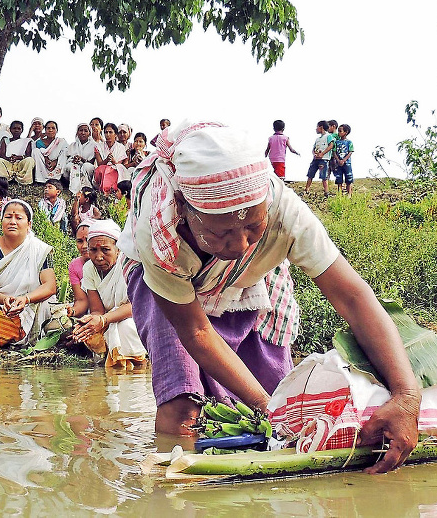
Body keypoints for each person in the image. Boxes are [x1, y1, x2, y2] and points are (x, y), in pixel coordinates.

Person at [119, 120, 419, 474]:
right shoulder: (158, 236)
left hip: (251, 282)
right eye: (222, 232)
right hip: (173, 292)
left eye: (252, 227)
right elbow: (197, 334)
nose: (241, 245)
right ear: (185, 209)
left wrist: (406, 396)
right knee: (185, 406)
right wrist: (271, 411)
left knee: (276, 392)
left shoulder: (286, 213)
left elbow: (353, 297)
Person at [0, 200, 58, 347]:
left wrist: (25, 299)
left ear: (29, 224)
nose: (12, 221)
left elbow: (50, 286)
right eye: (8, 217)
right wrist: (6, 300)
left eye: (19, 218)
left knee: (49, 304)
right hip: (2, 309)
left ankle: (11, 334)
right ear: (1, 220)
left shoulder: (40, 249)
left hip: (30, 311)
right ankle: (8, 333)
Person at [73, 219, 147, 369]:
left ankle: (140, 365)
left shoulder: (129, 265)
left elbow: (137, 306)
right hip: (108, 319)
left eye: (105, 250)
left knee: (126, 327)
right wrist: (89, 322)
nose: (99, 257)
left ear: (118, 249)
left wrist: (103, 320)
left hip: (135, 318)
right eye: (93, 250)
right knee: (89, 331)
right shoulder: (89, 269)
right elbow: (97, 310)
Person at [0, 120, 35, 185]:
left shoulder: (26, 141)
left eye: (19, 128)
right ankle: (4, 179)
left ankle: (24, 180)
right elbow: (2, 155)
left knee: (30, 160)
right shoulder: (5, 140)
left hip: (20, 164)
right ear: (10, 129)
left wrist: (18, 157)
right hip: (8, 164)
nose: (16, 130)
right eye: (14, 128)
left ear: (22, 130)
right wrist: (10, 158)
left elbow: (28, 155)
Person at [93, 123, 128, 195]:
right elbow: (99, 163)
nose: (108, 135)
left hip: (115, 169)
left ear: (115, 134)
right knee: (103, 169)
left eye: (110, 132)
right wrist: (106, 160)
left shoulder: (120, 147)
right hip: (102, 168)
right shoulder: (98, 146)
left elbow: (120, 164)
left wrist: (113, 161)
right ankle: (104, 191)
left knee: (112, 170)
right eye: (106, 132)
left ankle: (111, 191)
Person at [65, 123, 98, 194]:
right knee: (70, 167)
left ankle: (87, 187)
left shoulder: (94, 145)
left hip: (87, 168)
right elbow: (68, 158)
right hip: (75, 166)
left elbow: (94, 161)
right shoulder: (72, 145)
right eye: (80, 130)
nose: (83, 133)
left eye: (85, 131)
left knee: (86, 166)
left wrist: (82, 160)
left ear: (89, 133)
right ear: (77, 132)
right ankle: (74, 189)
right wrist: (73, 159)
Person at [68, 221, 92, 318]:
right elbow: (82, 300)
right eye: (80, 241)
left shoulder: (106, 262)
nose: (84, 246)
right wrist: (72, 311)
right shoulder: (74, 266)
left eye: (88, 240)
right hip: (90, 314)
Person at [306, 120, 335, 195]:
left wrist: (322, 153)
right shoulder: (317, 139)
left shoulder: (328, 136)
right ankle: (307, 189)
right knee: (310, 174)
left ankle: (326, 191)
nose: (316, 129)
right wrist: (314, 154)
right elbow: (313, 149)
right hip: (316, 159)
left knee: (324, 176)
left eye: (317, 127)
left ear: (321, 127)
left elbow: (331, 145)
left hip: (324, 159)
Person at [333, 124, 355, 196]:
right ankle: (340, 193)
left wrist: (344, 160)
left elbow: (350, 152)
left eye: (340, 131)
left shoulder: (349, 142)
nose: (338, 133)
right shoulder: (336, 142)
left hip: (347, 163)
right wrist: (338, 160)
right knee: (339, 178)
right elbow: (334, 152)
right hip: (338, 163)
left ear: (346, 132)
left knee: (348, 178)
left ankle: (349, 194)